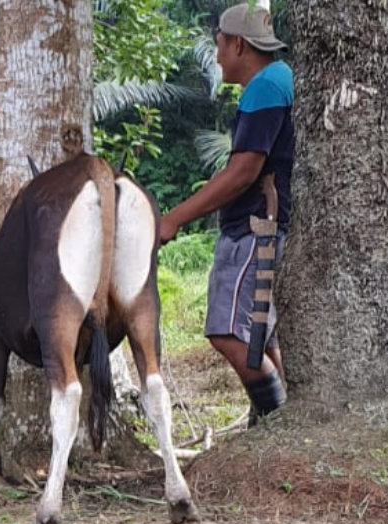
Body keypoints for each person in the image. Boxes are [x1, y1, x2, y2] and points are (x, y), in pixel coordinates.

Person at [158, 3, 293, 425]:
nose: (216, 54)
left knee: (227, 332)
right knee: (261, 338)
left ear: (238, 44)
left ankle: (276, 422)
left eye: (219, 43)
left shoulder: (264, 88)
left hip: (256, 229)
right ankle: (279, 420)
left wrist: (174, 218)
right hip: (268, 225)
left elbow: (243, 172)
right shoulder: (280, 79)